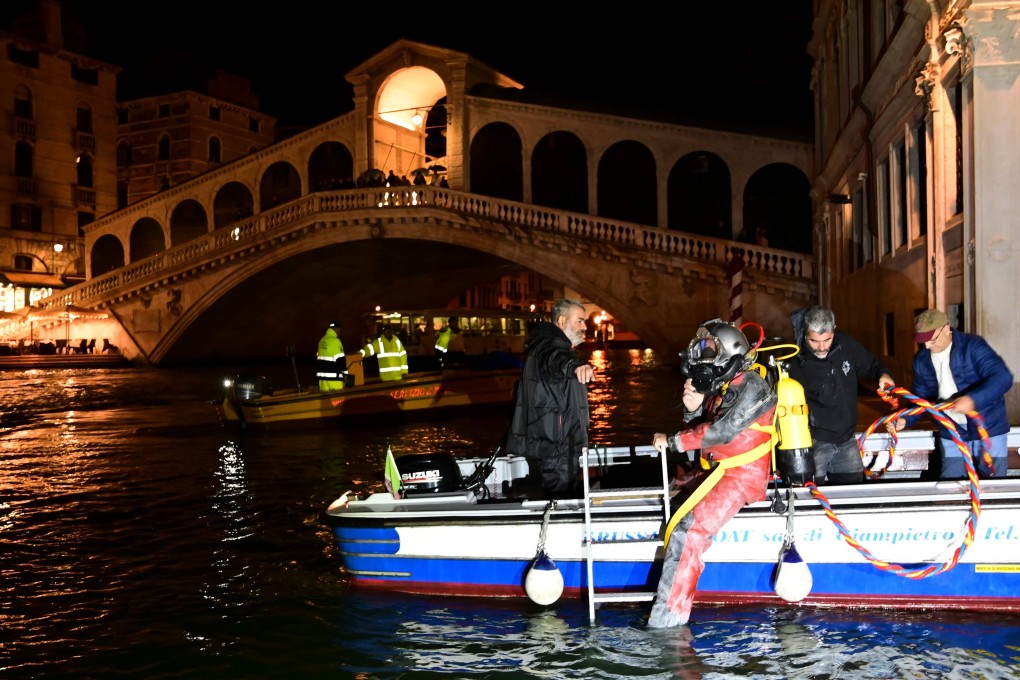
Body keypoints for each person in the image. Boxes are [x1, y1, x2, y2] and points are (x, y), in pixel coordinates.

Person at [647, 319, 777, 628]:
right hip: (720, 470)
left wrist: (674, 441)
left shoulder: (754, 387)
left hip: (742, 475)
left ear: (729, 355)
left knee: (687, 533)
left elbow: (723, 430)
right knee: (675, 497)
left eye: (709, 354)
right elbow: (706, 425)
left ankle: (669, 621)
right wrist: (692, 408)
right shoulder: (726, 387)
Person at [887, 309, 1013, 479]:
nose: (927, 346)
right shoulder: (921, 360)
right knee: (951, 483)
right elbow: (922, 399)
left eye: (932, 340)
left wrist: (972, 400)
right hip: (951, 430)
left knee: (993, 484)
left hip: (988, 427)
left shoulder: (972, 346)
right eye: (922, 341)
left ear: (946, 329)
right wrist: (905, 419)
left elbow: (1002, 377)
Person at [786, 305, 894, 484]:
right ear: (805, 334)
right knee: (809, 499)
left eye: (827, 340)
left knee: (852, 498)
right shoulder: (795, 361)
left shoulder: (847, 345)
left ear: (834, 331)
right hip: (813, 444)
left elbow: (872, 366)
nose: (821, 348)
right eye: (814, 341)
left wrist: (884, 375)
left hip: (847, 441)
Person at [505, 298, 595, 500]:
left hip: (544, 443)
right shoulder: (553, 347)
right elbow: (559, 360)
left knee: (550, 497)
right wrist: (576, 367)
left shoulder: (541, 345)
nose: (585, 326)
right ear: (562, 321)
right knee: (561, 500)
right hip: (557, 445)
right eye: (579, 321)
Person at [316, 320, 347, 391]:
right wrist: (345, 374)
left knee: (325, 401)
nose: (340, 330)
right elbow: (341, 360)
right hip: (334, 379)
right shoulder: (335, 341)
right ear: (336, 328)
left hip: (322, 379)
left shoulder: (322, 340)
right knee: (338, 401)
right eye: (339, 328)